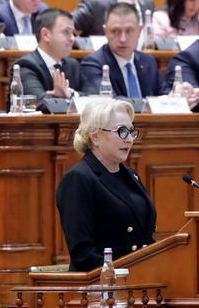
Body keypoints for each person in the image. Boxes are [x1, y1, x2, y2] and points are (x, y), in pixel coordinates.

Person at [56, 97, 156, 271]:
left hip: (140, 278)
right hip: (102, 282)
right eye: (122, 131)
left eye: (131, 131)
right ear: (95, 136)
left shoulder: (130, 175)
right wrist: (120, 274)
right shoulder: (78, 178)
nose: (129, 139)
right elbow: (83, 254)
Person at [81, 3, 172, 97]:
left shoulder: (148, 61)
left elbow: (165, 94)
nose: (123, 39)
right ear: (105, 31)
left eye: (129, 31)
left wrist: (174, 94)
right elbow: (108, 100)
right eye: (115, 31)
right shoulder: (94, 63)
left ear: (139, 31)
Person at [11, 8, 84, 103]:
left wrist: (70, 94)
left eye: (73, 33)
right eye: (66, 32)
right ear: (45, 35)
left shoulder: (73, 65)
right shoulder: (26, 65)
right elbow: (37, 102)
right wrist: (64, 98)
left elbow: (93, 96)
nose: (72, 39)